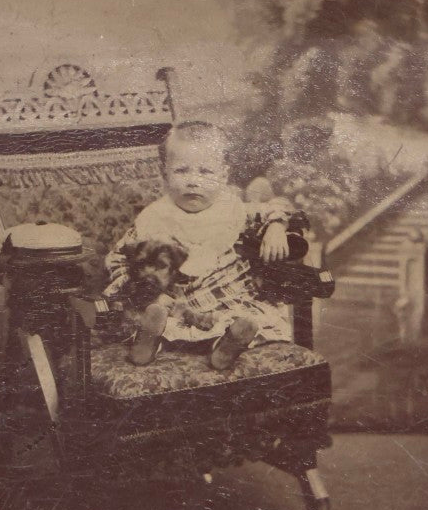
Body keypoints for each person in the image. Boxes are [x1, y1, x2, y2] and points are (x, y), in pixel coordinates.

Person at [104, 121, 297, 369]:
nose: (193, 182)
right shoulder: (155, 218)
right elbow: (118, 259)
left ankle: (227, 344)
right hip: (172, 305)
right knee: (153, 315)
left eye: (205, 172)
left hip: (226, 301)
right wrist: (144, 292)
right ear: (164, 173)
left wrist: (277, 225)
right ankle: (148, 340)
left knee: (248, 318)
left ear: (223, 176)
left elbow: (278, 207)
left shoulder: (233, 210)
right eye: (182, 171)